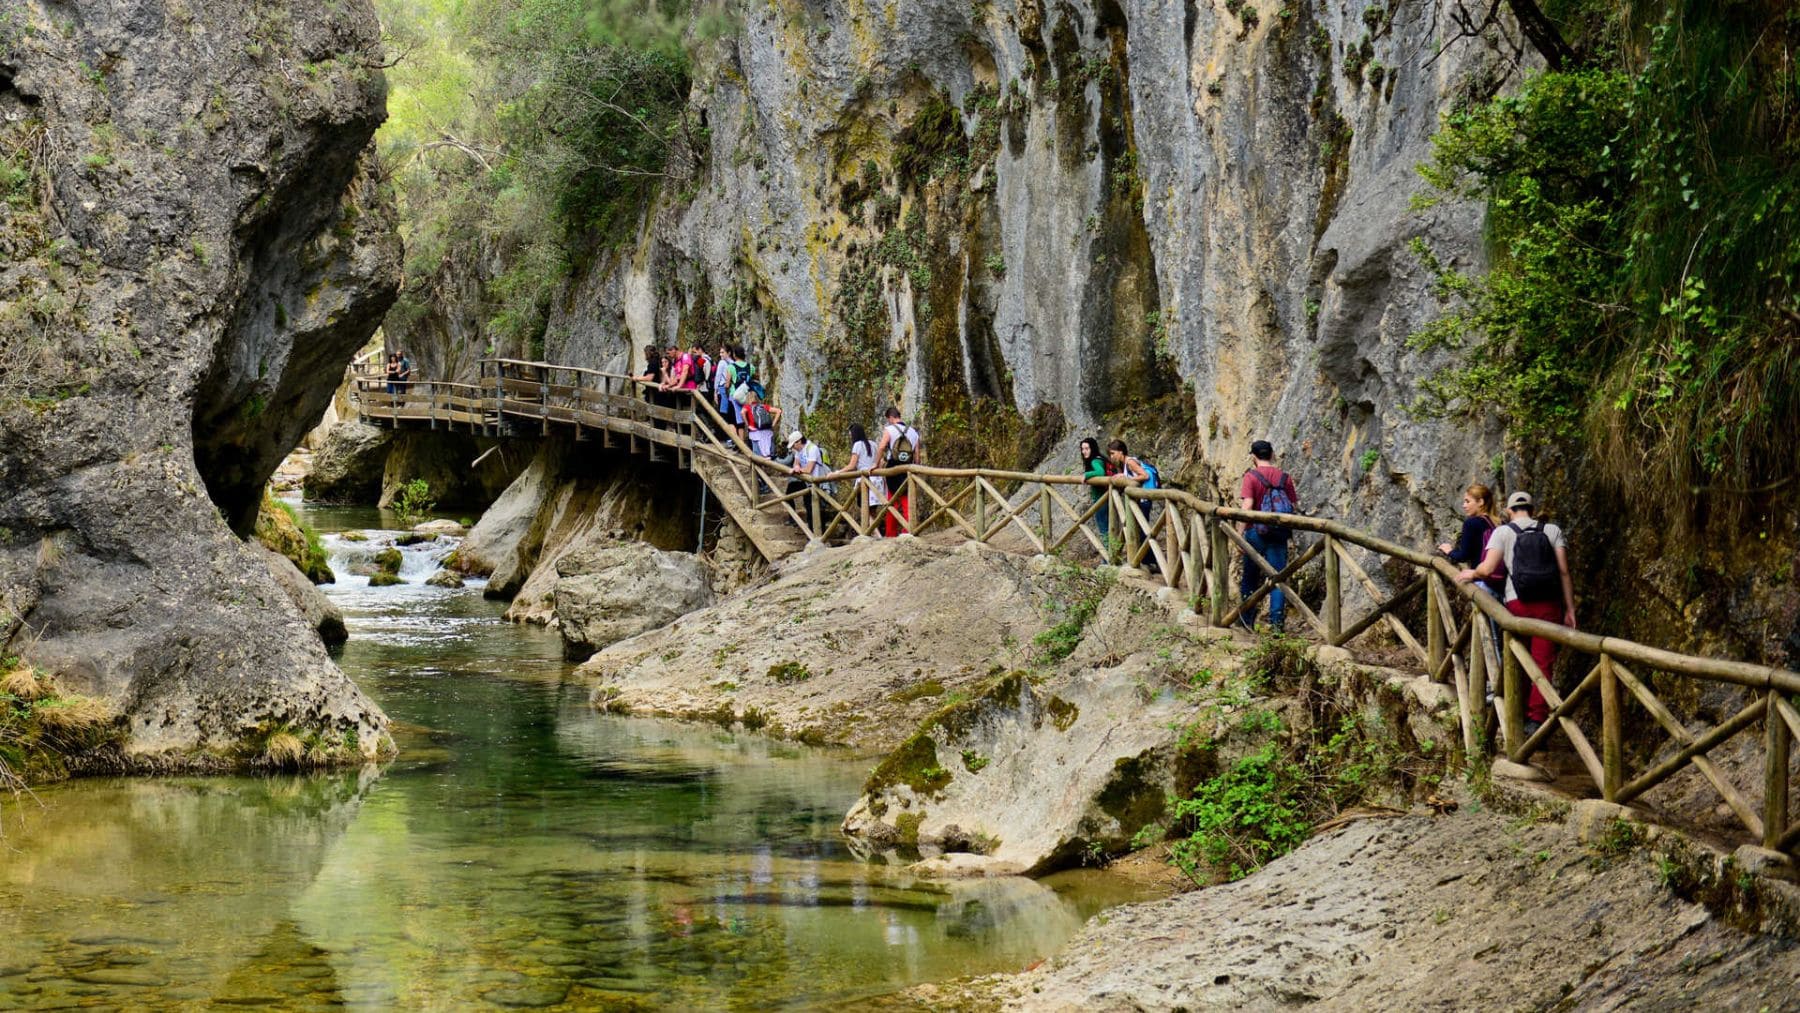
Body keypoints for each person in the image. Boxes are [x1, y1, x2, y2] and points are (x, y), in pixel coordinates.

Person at [1457, 491, 1576, 737]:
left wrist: (1472, 574)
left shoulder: (1504, 532)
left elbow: (1487, 568)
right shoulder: (1552, 530)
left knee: (1516, 657)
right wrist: (1570, 609)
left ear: (1510, 511)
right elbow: (1564, 571)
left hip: (1517, 604)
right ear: (1532, 509)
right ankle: (1536, 719)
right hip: (1549, 605)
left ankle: (1514, 710)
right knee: (1543, 662)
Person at [1238, 440, 1300, 632]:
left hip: (1256, 533)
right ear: (1272, 454)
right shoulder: (1285, 477)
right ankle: (1277, 626)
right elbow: (1294, 506)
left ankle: (1246, 619)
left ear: (1253, 457)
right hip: (1278, 533)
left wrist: (1240, 533)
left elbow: (1247, 506)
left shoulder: (1251, 477)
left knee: (1250, 576)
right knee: (1277, 579)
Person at [873, 406, 921, 538]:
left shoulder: (889, 429)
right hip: (908, 468)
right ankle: (908, 531)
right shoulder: (913, 432)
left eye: (888, 420)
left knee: (892, 501)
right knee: (907, 500)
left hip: (893, 468)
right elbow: (917, 455)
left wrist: (875, 465)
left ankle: (890, 533)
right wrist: (916, 470)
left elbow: (882, 447)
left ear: (890, 418)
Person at [834, 422, 887, 530]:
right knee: (872, 510)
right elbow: (881, 461)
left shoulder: (857, 445)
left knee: (864, 508)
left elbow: (852, 466)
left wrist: (838, 472)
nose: (850, 436)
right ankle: (873, 532)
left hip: (865, 481)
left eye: (850, 434)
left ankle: (875, 534)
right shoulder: (873, 444)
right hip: (876, 479)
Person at [785, 431, 825, 531]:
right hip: (805, 481)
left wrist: (799, 469)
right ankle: (793, 519)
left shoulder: (812, 449)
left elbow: (809, 469)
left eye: (793, 445)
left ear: (798, 442)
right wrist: (797, 467)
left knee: (813, 508)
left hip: (815, 483)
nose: (793, 448)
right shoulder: (798, 451)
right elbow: (795, 463)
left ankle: (818, 534)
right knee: (789, 493)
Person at [742, 388, 780, 458]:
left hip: (755, 433)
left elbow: (742, 412)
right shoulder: (763, 406)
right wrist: (773, 424)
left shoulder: (747, 406)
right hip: (767, 431)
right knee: (769, 451)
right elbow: (778, 411)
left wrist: (747, 423)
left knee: (758, 454)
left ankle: (760, 466)